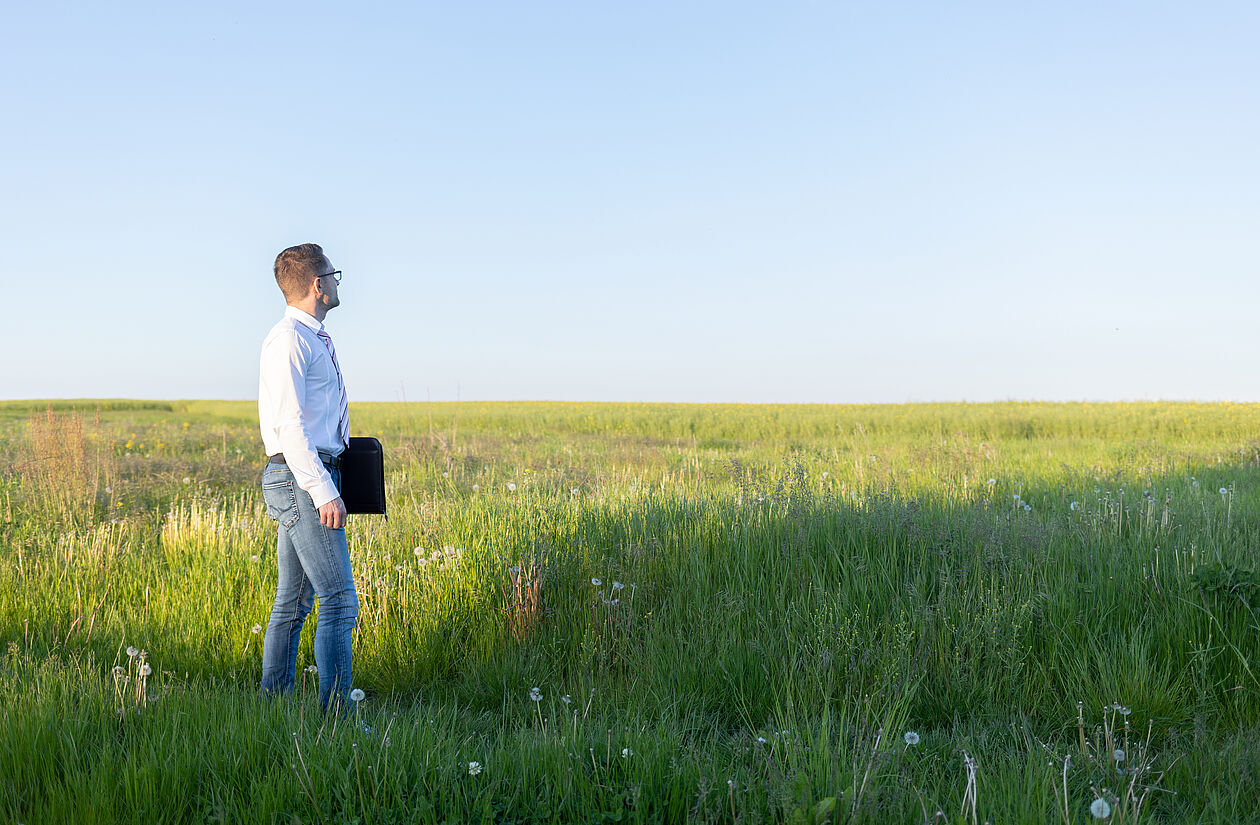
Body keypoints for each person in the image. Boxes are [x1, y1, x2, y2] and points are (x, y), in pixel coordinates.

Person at [257, 242, 358, 710]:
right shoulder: (290, 340)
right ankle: (338, 719)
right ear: (318, 285)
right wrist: (324, 491)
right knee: (338, 600)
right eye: (333, 275)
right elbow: (289, 426)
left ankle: (273, 704)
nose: (337, 282)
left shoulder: (309, 337)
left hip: (307, 471)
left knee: (294, 602)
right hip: (302, 475)